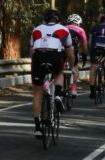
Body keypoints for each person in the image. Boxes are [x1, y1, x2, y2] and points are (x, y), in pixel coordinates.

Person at [30, 9, 74, 139]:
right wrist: (72, 66)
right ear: (58, 20)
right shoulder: (64, 29)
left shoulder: (36, 30)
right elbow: (70, 52)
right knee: (59, 73)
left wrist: (36, 66)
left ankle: (37, 127)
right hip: (55, 56)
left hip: (39, 57)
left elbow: (31, 51)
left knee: (38, 92)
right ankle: (58, 95)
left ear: (45, 19)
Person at [88, 13, 105, 99]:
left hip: (95, 48)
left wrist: (91, 50)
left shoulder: (94, 27)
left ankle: (92, 90)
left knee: (93, 67)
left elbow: (90, 41)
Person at [65, 13, 88, 96]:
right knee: (75, 67)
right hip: (72, 49)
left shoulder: (63, 28)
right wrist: (84, 55)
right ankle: (73, 89)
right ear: (78, 23)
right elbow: (84, 44)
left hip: (61, 49)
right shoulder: (80, 30)